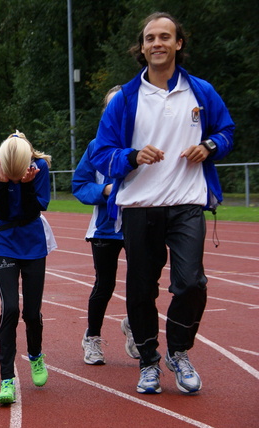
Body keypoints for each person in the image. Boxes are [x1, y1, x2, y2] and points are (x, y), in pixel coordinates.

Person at [90, 12, 234, 395]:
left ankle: (179, 352)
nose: (157, 43)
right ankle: (149, 361)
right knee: (140, 289)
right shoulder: (124, 98)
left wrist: (210, 146)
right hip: (141, 206)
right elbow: (102, 154)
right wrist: (133, 156)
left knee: (190, 283)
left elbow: (227, 131)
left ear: (178, 43)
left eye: (165, 37)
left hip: (187, 202)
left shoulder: (201, 91)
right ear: (142, 47)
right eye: (150, 38)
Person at [0, 131, 56, 404]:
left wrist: (24, 185)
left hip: (34, 242)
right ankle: (6, 381)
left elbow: (35, 210)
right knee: (10, 308)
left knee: (32, 311)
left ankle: (35, 356)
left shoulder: (41, 167)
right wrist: (3, 185)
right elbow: (0, 211)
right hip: (5, 243)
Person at [72, 86, 140, 365]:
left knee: (142, 285)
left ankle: (136, 329)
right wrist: (105, 191)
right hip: (105, 228)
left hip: (141, 223)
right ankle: (93, 338)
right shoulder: (95, 146)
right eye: (113, 106)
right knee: (105, 284)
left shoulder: (147, 144)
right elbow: (79, 184)